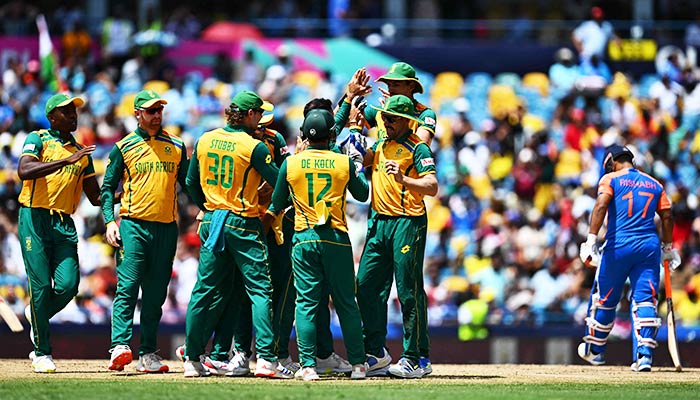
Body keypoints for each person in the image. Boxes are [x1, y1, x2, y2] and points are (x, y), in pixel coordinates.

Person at [182, 90, 292, 379]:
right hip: (243, 220)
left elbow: (191, 181)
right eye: (258, 113)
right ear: (250, 115)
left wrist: (206, 205)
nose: (261, 119)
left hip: (212, 219)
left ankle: (192, 359)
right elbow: (279, 180)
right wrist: (276, 205)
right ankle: (266, 360)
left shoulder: (205, 138)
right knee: (260, 290)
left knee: (204, 291)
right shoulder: (254, 146)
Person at [263, 108, 370, 381]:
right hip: (335, 237)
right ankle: (358, 365)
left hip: (304, 237)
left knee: (307, 303)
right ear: (331, 134)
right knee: (346, 302)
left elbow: (276, 204)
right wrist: (355, 163)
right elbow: (362, 193)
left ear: (304, 136)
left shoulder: (292, 163)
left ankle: (308, 366)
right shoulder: (342, 161)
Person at [101, 89, 188, 373]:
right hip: (133, 226)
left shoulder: (176, 146)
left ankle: (148, 354)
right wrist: (109, 221)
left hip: (166, 229)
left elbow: (188, 185)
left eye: (159, 110)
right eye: (151, 111)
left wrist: (208, 208)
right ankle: (120, 346)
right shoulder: (123, 147)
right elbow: (106, 189)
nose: (156, 115)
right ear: (137, 113)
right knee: (127, 287)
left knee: (155, 294)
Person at [354, 95, 438, 378]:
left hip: (407, 223)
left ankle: (416, 358)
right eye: (384, 119)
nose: (385, 123)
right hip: (379, 223)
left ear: (406, 121)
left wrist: (404, 180)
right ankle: (375, 352)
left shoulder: (418, 148)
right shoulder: (380, 145)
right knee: (365, 285)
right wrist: (354, 132)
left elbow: (432, 185)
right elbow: (359, 159)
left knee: (408, 291)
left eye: (390, 119)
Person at [578, 144, 681, 372]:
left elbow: (601, 204)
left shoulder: (611, 179)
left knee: (604, 298)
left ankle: (595, 351)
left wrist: (591, 240)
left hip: (619, 245)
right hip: (649, 247)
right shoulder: (655, 183)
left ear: (611, 162)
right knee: (645, 299)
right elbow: (667, 215)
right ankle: (644, 357)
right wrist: (668, 246)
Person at [18, 93, 100, 373]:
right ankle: (42, 353)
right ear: (52, 117)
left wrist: (126, 187)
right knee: (40, 287)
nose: (73, 116)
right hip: (34, 217)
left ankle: (36, 314)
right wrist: (66, 161)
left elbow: (95, 196)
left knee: (68, 285)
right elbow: (24, 170)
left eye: (74, 111)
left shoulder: (81, 153)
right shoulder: (38, 138)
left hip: (64, 222)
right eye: (66, 112)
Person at [363, 62, 436, 145]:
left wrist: (395, 114)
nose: (391, 89)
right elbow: (349, 122)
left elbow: (420, 146)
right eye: (389, 85)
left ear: (411, 86)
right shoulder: (380, 110)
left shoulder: (425, 114)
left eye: (396, 85)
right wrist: (351, 97)